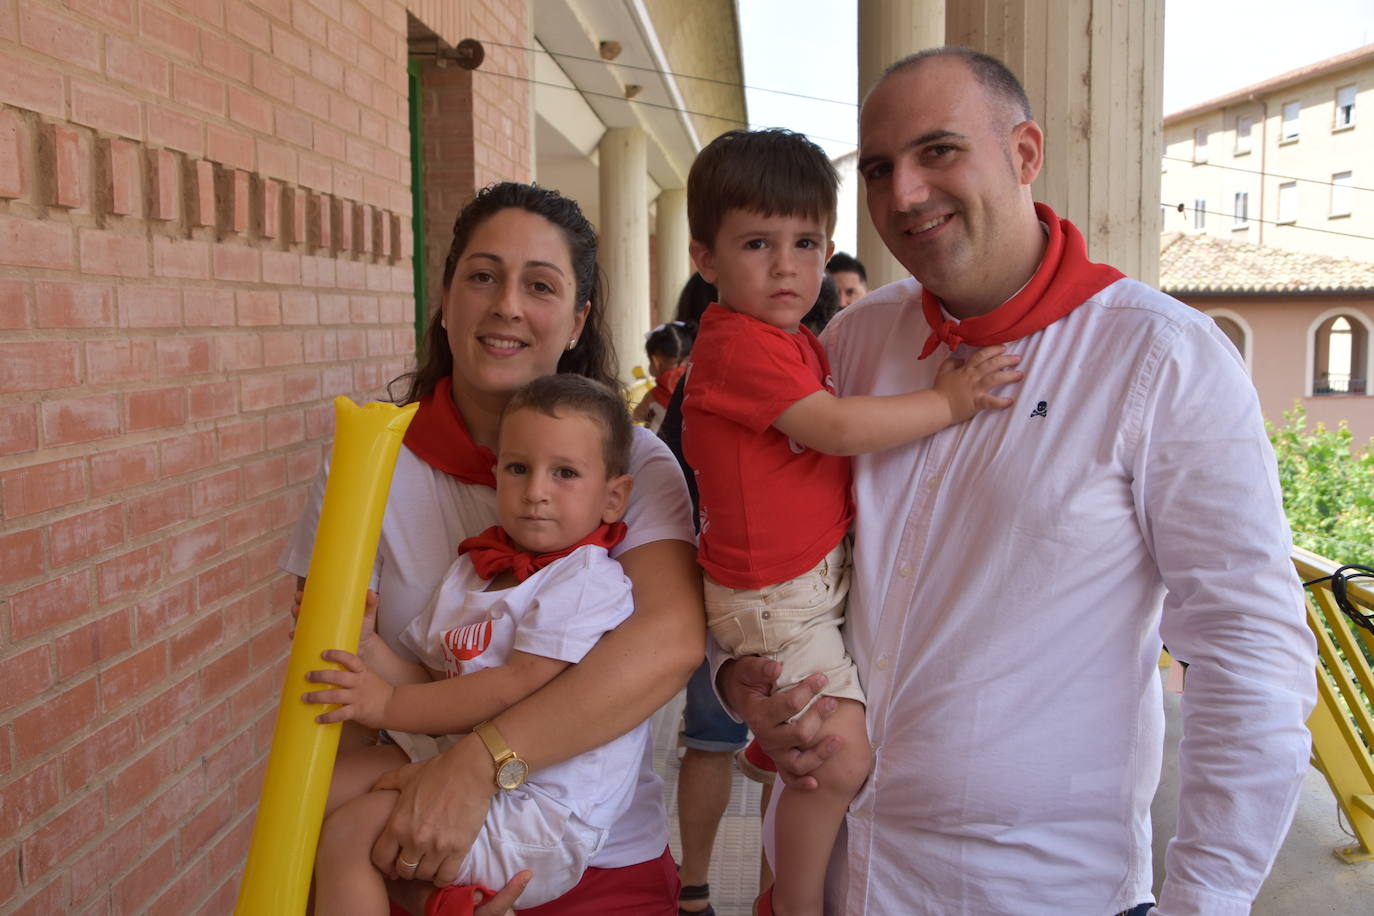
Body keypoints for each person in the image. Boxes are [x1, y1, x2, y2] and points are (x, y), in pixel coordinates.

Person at [717, 48, 1317, 916]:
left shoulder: (1161, 357)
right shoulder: (851, 343)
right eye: (880, 169)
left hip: (1032, 891)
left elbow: (1249, 652)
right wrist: (740, 670)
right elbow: (762, 527)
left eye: (938, 152)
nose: (904, 194)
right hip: (835, 871)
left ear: (1025, 154)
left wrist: (1208, 900)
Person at [281, 182, 702, 916]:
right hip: (412, 837)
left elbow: (669, 643)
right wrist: (406, 878)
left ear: (577, 321)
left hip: (595, 856)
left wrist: (478, 763)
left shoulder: (631, 461)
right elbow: (348, 704)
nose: (507, 304)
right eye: (482, 276)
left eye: (539, 286)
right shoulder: (372, 459)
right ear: (445, 301)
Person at [681, 127, 1022, 916]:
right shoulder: (737, 347)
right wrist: (948, 400)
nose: (787, 267)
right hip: (776, 591)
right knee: (833, 759)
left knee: (807, 753)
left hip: (803, 579)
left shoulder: (794, 337)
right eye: (757, 244)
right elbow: (831, 428)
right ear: (705, 259)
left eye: (806, 243)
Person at [306, 375, 647, 914]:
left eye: (564, 474)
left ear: (613, 497)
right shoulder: (473, 572)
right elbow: (437, 686)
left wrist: (386, 704)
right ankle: (445, 901)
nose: (536, 490)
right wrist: (367, 649)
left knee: (349, 835)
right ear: (495, 476)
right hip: (459, 766)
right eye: (519, 469)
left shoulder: (585, 581)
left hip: (541, 808)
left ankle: (436, 897)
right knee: (313, 795)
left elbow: (513, 687)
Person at [632, 321, 695, 434]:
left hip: (659, 447)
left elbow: (637, 416)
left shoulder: (654, 395)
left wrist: (649, 416)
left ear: (655, 361)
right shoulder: (694, 384)